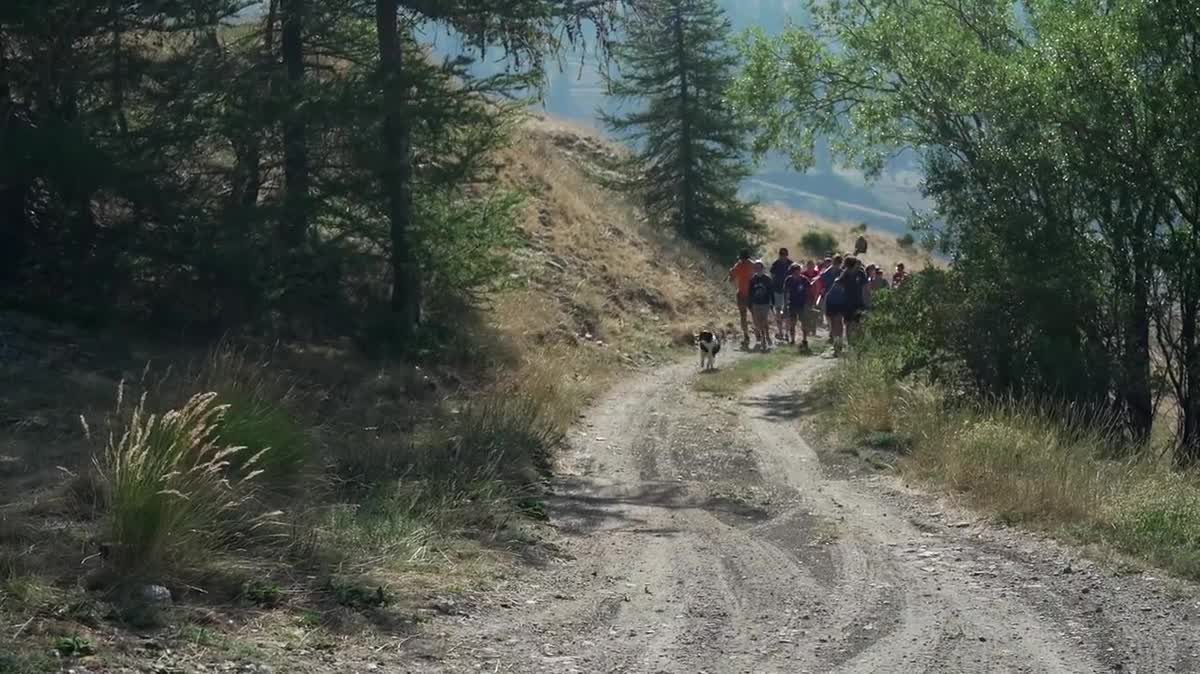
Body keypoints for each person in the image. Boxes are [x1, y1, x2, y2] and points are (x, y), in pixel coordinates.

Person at [839, 257, 871, 347]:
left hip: (859, 302)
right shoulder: (845, 274)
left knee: (859, 324)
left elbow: (866, 287)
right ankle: (850, 344)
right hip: (847, 303)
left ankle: (859, 344)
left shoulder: (861, 273)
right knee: (848, 324)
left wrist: (867, 301)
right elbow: (838, 284)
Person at [728, 250, 755, 348]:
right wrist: (732, 273)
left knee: (749, 314)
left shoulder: (743, 265)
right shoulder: (745, 265)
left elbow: (731, 279)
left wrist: (731, 273)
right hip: (746, 293)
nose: (742, 260)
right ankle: (747, 335)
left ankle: (752, 333)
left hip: (748, 293)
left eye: (743, 258)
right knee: (746, 315)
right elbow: (731, 279)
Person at [784, 263, 813, 351]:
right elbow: (786, 293)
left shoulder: (804, 280)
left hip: (802, 305)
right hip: (792, 304)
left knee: (804, 323)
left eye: (798, 271)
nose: (797, 274)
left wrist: (809, 303)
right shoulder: (788, 280)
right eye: (795, 272)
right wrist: (785, 305)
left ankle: (804, 339)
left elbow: (809, 291)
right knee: (792, 323)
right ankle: (792, 340)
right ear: (792, 272)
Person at [747, 260, 775, 351]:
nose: (757, 269)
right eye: (756, 268)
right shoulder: (752, 280)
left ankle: (764, 338)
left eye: (759, 267)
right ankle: (765, 335)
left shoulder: (767, 279)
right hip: (755, 303)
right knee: (757, 322)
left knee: (763, 320)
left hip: (765, 303)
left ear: (762, 268)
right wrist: (749, 303)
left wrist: (772, 303)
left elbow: (771, 292)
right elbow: (750, 292)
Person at [769, 248, 793, 342]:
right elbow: (772, 276)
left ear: (786, 255)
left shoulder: (791, 264)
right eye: (781, 255)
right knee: (778, 311)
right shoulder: (776, 264)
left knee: (786, 312)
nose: (783, 256)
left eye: (784, 255)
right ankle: (781, 332)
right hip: (777, 290)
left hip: (787, 291)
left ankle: (786, 333)